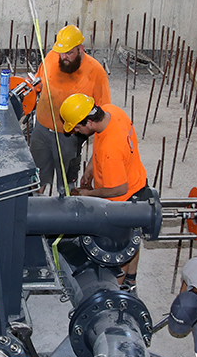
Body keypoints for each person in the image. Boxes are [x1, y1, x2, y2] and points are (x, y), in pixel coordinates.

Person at [59, 93, 150, 289]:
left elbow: (118, 188)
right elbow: (101, 143)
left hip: (124, 198)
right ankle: (132, 277)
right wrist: (92, 167)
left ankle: (117, 287)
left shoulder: (111, 149)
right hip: (138, 181)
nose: (76, 131)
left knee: (121, 247)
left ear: (89, 122)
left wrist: (88, 194)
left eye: (77, 126)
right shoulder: (110, 111)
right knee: (134, 236)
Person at [29, 25, 110, 194]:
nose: (63, 57)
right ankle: (35, 208)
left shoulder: (96, 72)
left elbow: (104, 113)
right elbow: (39, 83)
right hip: (42, 130)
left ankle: (64, 209)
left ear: (80, 49)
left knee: (66, 183)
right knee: (36, 179)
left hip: (71, 137)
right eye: (61, 53)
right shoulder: (52, 57)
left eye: (69, 53)